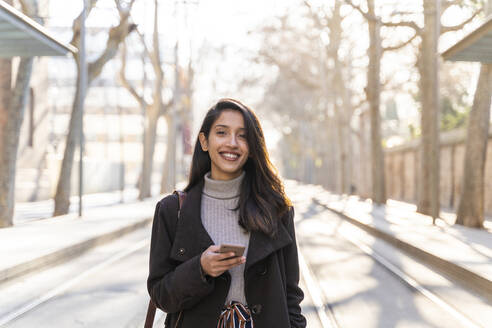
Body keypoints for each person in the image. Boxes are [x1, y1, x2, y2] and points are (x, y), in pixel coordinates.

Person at [147, 98, 307, 328]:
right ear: (204, 141)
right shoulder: (172, 211)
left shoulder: (277, 210)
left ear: (252, 147)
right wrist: (199, 269)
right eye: (221, 132)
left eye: (243, 136)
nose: (232, 143)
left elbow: (291, 295)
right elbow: (160, 294)